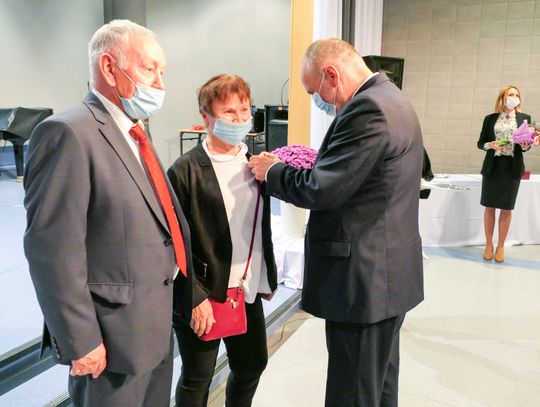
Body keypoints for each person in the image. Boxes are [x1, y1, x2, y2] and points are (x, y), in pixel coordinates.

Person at [23, 20, 192, 407]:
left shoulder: (135, 131)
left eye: (162, 72)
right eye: (149, 69)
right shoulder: (67, 133)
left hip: (154, 325)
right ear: (109, 67)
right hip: (110, 340)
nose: (160, 84)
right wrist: (81, 340)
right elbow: (53, 250)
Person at [248, 38, 424, 407]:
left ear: (332, 74)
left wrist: (273, 171)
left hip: (364, 280)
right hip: (387, 276)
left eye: (315, 92)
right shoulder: (391, 97)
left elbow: (322, 188)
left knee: (353, 393)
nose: (319, 101)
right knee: (377, 386)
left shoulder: (367, 110)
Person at [167, 74, 277, 407]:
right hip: (204, 291)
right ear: (206, 116)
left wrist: (265, 275)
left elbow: (258, 227)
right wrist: (193, 296)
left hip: (245, 289)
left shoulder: (256, 164)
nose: (240, 119)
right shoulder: (185, 170)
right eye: (229, 111)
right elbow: (171, 242)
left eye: (244, 109)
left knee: (251, 365)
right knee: (198, 376)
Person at [477, 85, 531, 263]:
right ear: (503, 97)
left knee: (507, 208)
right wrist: (491, 145)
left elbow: (526, 145)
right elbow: (480, 143)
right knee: (489, 206)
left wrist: (526, 145)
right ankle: (488, 244)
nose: (514, 97)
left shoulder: (524, 118)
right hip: (493, 167)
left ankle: (500, 246)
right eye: (510, 94)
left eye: (516, 95)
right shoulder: (490, 118)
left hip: (512, 168)